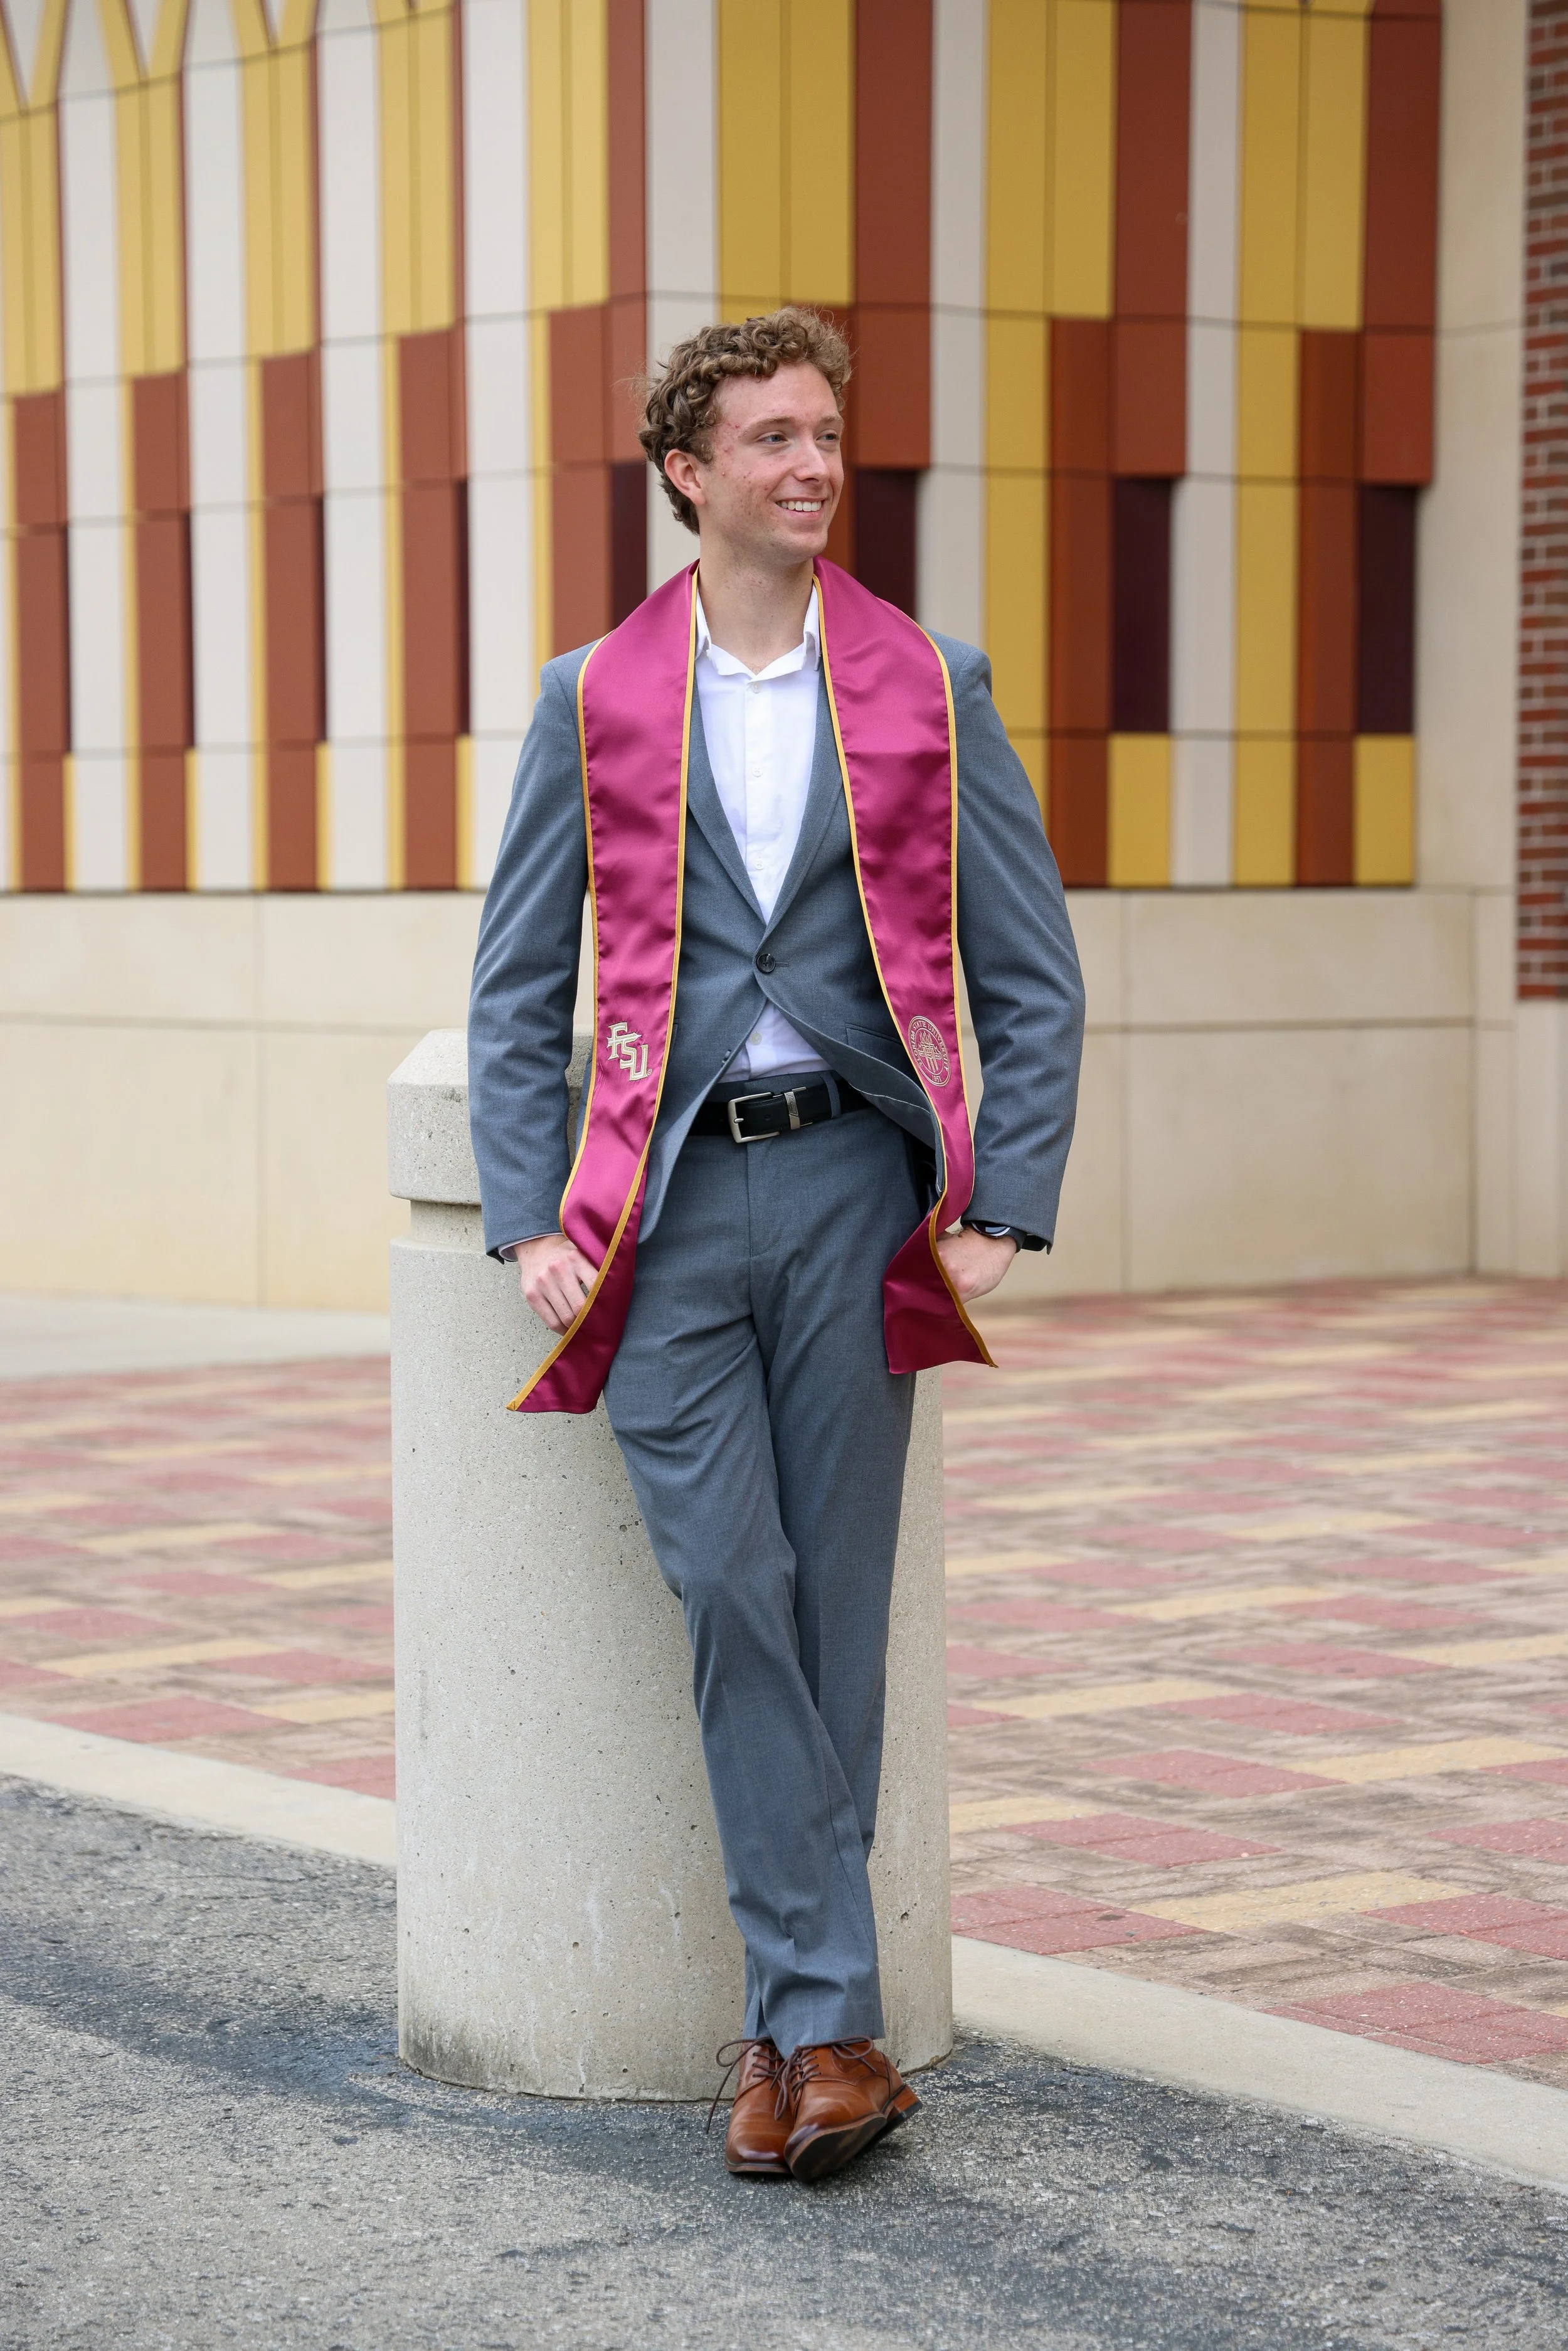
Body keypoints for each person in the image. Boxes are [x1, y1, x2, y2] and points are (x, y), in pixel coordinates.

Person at [468, 307, 1084, 2184]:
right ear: (687, 471)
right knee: (732, 1587)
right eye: (770, 439)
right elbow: (517, 983)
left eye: (824, 434)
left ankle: (799, 2033)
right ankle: (825, 2022)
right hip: (655, 1214)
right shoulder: (592, 694)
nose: (811, 465)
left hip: (846, 1196)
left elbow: (1030, 966)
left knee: (831, 1610)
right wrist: (526, 1215)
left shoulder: (931, 682)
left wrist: (1005, 1197)